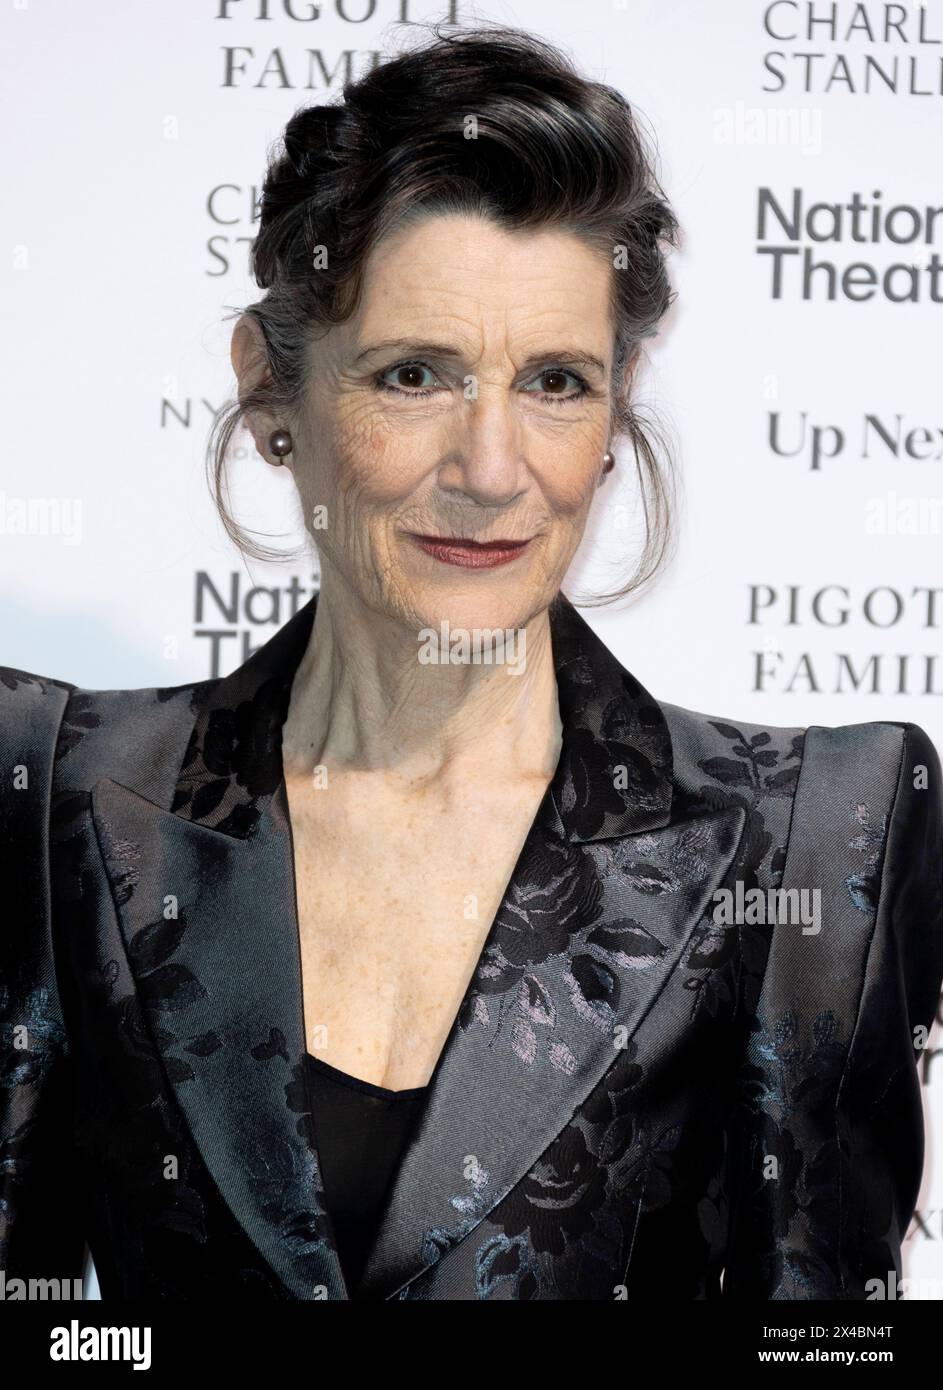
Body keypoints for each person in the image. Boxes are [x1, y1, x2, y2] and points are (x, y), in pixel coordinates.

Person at [2, 24, 941, 1302]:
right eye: (413, 375)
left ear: (617, 410)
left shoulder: (808, 839)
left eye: (555, 382)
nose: (492, 470)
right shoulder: (59, 789)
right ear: (273, 389)